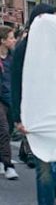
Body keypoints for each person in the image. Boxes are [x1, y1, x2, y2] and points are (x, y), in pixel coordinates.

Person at [11, 4, 56, 205]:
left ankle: (54, 198)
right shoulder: (25, 48)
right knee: (45, 166)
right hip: (37, 115)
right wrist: (18, 117)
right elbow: (16, 82)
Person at [0, 26, 19, 180]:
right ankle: (8, 166)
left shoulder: (14, 57)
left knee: (10, 128)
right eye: (11, 38)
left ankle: (1, 158)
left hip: (11, 98)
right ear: (3, 40)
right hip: (0, 99)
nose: (14, 40)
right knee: (4, 130)